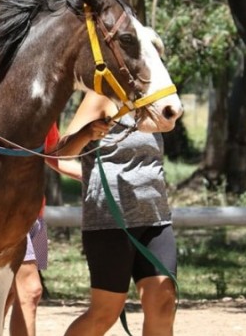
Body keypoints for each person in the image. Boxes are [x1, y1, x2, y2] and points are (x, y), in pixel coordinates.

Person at [55, 91, 177, 336]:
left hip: (156, 219)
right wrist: (87, 134)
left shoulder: (153, 99)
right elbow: (61, 153)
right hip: (110, 222)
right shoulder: (100, 97)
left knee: (163, 306)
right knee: (105, 313)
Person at [6, 124, 81, 336]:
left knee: (9, 293)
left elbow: (53, 154)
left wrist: (96, 176)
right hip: (11, 215)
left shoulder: (46, 113)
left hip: (35, 215)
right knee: (30, 290)